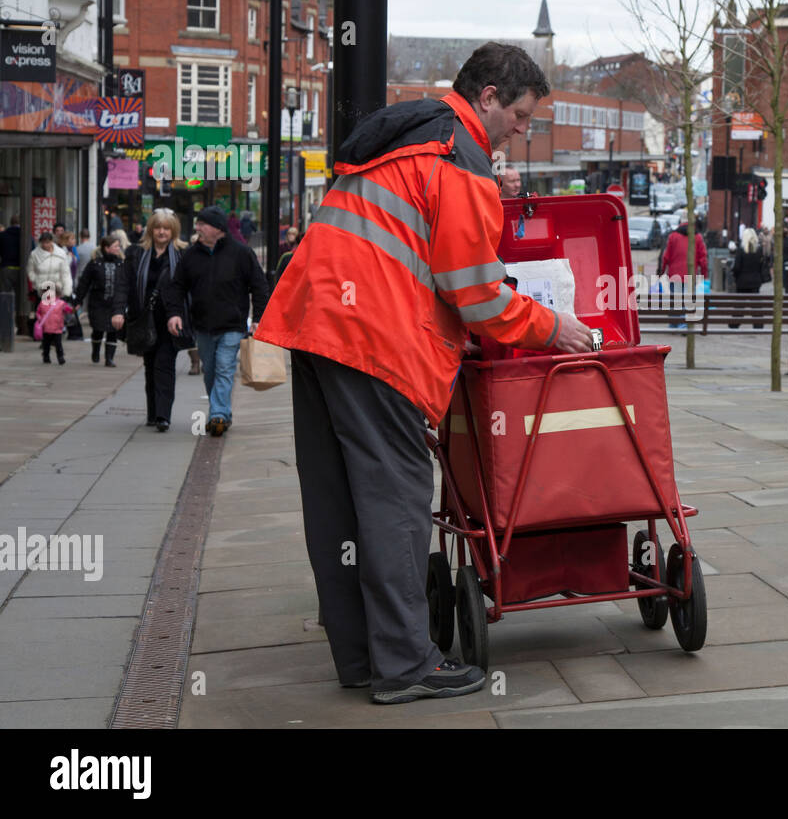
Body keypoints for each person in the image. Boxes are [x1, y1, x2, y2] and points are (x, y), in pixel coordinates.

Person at [254, 41, 593, 705]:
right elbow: (480, 296)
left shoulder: (412, 136)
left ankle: (361, 657)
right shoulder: (457, 155)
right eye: (521, 115)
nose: (523, 130)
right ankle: (407, 665)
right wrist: (557, 328)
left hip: (318, 323)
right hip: (376, 338)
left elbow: (409, 227)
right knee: (395, 498)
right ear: (489, 97)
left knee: (337, 502)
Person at [163, 206, 269, 437]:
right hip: (202, 326)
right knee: (210, 371)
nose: (198, 228)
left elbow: (259, 286)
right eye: (198, 224)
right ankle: (221, 412)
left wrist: (259, 319)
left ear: (218, 229)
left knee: (223, 367)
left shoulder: (241, 254)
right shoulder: (191, 255)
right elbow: (177, 287)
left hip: (232, 325)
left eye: (203, 224)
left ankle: (218, 414)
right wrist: (174, 313)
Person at [127, 210, 194, 431]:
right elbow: (124, 284)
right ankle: (153, 413)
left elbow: (191, 286)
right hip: (145, 319)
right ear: (151, 230)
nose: (162, 232)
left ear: (173, 230)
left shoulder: (183, 254)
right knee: (149, 366)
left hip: (172, 319)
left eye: (166, 228)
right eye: (158, 227)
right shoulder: (137, 253)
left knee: (164, 365)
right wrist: (119, 311)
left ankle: (163, 415)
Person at [74, 236, 129, 366]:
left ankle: (109, 358)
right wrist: (78, 300)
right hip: (98, 303)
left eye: (118, 246)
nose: (118, 249)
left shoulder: (121, 263)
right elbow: (84, 283)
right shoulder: (95, 263)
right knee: (98, 330)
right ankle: (95, 351)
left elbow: (127, 284)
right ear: (107, 248)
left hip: (115, 305)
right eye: (115, 246)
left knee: (112, 331)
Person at [27, 232, 73, 303]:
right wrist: (36, 281)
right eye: (43, 242)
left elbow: (65, 274)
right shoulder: (34, 254)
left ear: (52, 242)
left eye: (47, 242)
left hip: (57, 290)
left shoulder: (61, 253)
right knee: (42, 312)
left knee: (55, 312)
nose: (45, 245)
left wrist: (67, 291)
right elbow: (30, 271)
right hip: (41, 290)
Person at [34, 285, 74, 365]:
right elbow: (38, 312)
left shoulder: (59, 303)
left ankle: (57, 357)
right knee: (50, 344)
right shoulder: (46, 303)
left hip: (55, 328)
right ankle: (50, 357)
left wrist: (40, 319)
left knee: (54, 344)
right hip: (50, 328)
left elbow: (68, 310)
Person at [1, 215, 22, 331]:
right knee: (21, 298)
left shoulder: (3, 236)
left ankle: (7, 324)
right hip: (21, 270)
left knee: (6, 297)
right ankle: (21, 324)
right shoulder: (25, 235)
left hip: (6, 268)